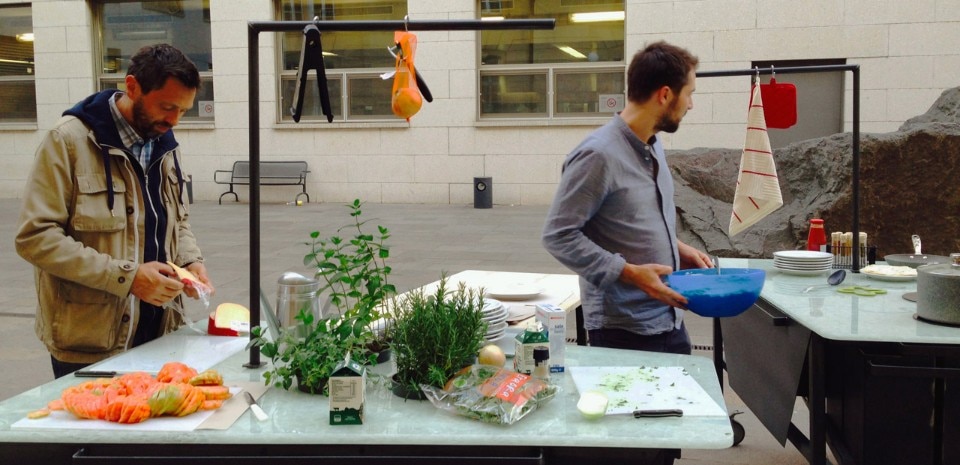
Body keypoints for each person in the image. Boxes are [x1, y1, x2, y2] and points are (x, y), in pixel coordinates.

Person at [15, 44, 214, 378]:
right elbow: (35, 238)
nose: (174, 120)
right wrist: (128, 277)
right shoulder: (67, 142)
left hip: (162, 332)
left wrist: (190, 262)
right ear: (132, 86)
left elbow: (176, 220)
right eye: (167, 107)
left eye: (183, 110)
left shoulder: (164, 143)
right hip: (91, 342)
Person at [541, 41, 713, 356]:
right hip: (625, 330)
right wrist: (629, 273)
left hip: (669, 318)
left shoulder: (652, 143)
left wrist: (677, 249)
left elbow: (632, 220)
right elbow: (558, 235)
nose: (691, 104)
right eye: (689, 94)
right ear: (664, 95)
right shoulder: (598, 155)